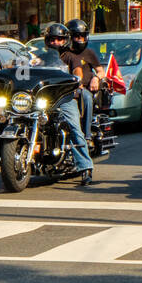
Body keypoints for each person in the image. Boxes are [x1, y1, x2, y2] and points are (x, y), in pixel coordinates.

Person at [39, 22, 95, 187]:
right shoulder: (40, 58)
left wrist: (76, 81)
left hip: (64, 98)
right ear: (46, 41)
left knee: (74, 127)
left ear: (65, 40)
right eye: (52, 39)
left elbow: (77, 71)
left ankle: (85, 167)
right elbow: (26, 69)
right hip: (43, 99)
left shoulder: (71, 56)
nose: (55, 42)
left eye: (59, 39)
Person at [62, 18, 101, 140]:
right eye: (76, 36)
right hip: (64, 88)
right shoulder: (64, 54)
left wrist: (96, 78)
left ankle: (86, 134)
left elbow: (101, 71)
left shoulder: (89, 53)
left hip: (82, 87)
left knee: (87, 97)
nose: (79, 39)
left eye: (82, 36)